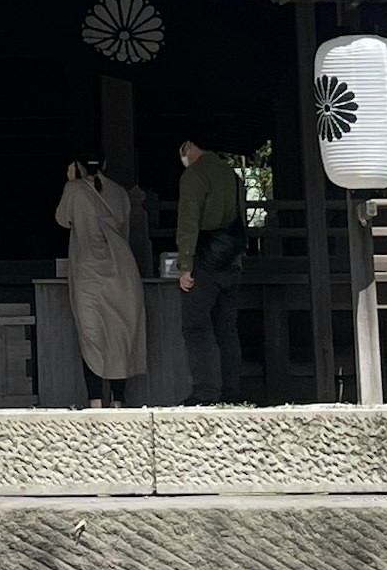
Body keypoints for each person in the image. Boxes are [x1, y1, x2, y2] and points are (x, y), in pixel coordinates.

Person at [51, 159, 149, 405]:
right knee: (120, 336)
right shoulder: (119, 191)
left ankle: (95, 400)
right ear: (105, 163)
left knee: (91, 336)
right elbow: (125, 228)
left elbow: (63, 219)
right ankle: (119, 400)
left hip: (89, 271)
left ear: (77, 165)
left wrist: (72, 181)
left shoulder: (74, 189)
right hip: (123, 269)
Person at [173, 136, 249, 402]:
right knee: (226, 328)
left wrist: (185, 265)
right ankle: (231, 392)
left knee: (195, 327)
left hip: (204, 258)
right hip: (231, 258)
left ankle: (205, 391)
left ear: (190, 146)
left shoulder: (195, 175)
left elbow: (188, 221)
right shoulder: (232, 175)